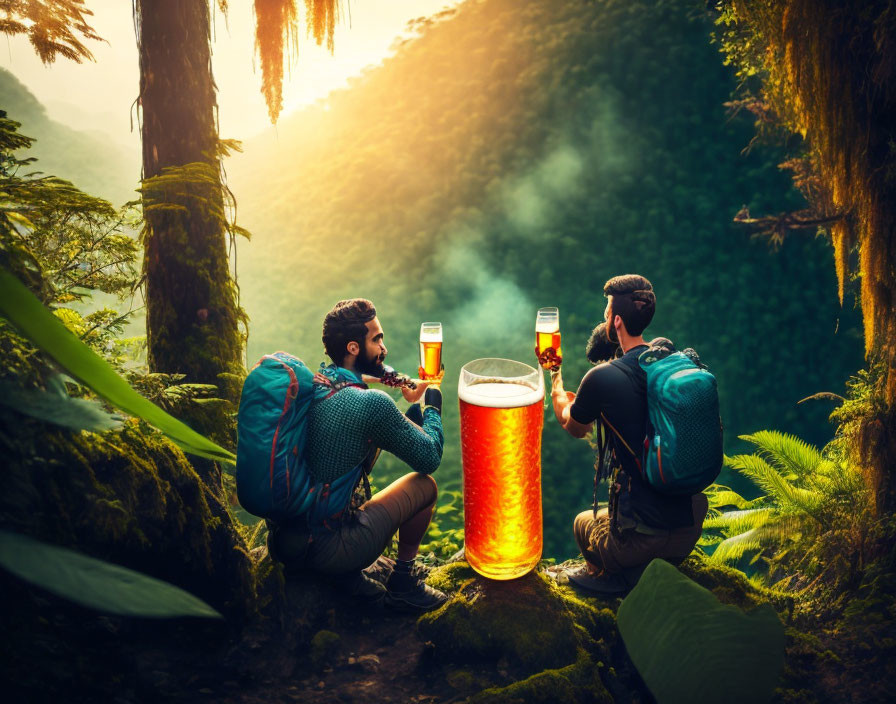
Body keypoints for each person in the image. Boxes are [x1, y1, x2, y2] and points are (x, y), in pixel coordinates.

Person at [266, 298, 449, 611]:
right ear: (353, 347)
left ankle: (341, 574)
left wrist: (403, 382)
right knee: (425, 485)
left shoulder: (317, 382)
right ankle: (403, 581)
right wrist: (432, 403)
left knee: (406, 422)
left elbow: (364, 375)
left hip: (286, 544)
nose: (384, 347)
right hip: (330, 549)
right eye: (377, 339)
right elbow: (430, 456)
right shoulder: (371, 405)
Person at [549, 275, 709, 595]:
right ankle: (647, 567)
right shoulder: (670, 362)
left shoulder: (602, 377)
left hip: (640, 541)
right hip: (686, 533)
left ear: (616, 321)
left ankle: (620, 575)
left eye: (607, 313)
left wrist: (555, 381)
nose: (606, 318)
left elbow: (573, 426)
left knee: (583, 523)